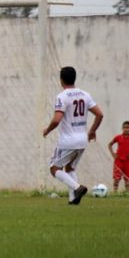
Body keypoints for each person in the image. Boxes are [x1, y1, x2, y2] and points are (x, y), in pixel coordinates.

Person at [42, 66, 104, 205]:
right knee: (70, 167)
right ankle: (73, 199)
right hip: (82, 140)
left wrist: (47, 130)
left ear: (61, 80)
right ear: (74, 78)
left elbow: (57, 119)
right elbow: (100, 114)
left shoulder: (62, 96)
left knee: (54, 168)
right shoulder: (85, 94)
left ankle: (77, 188)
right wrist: (92, 131)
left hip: (67, 141)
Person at [108, 121, 129, 193]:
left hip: (127, 161)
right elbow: (110, 144)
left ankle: (127, 193)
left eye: (127, 127)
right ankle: (115, 192)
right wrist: (113, 154)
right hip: (118, 160)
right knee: (116, 178)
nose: (125, 129)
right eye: (124, 127)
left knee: (127, 179)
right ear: (122, 128)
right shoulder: (118, 137)